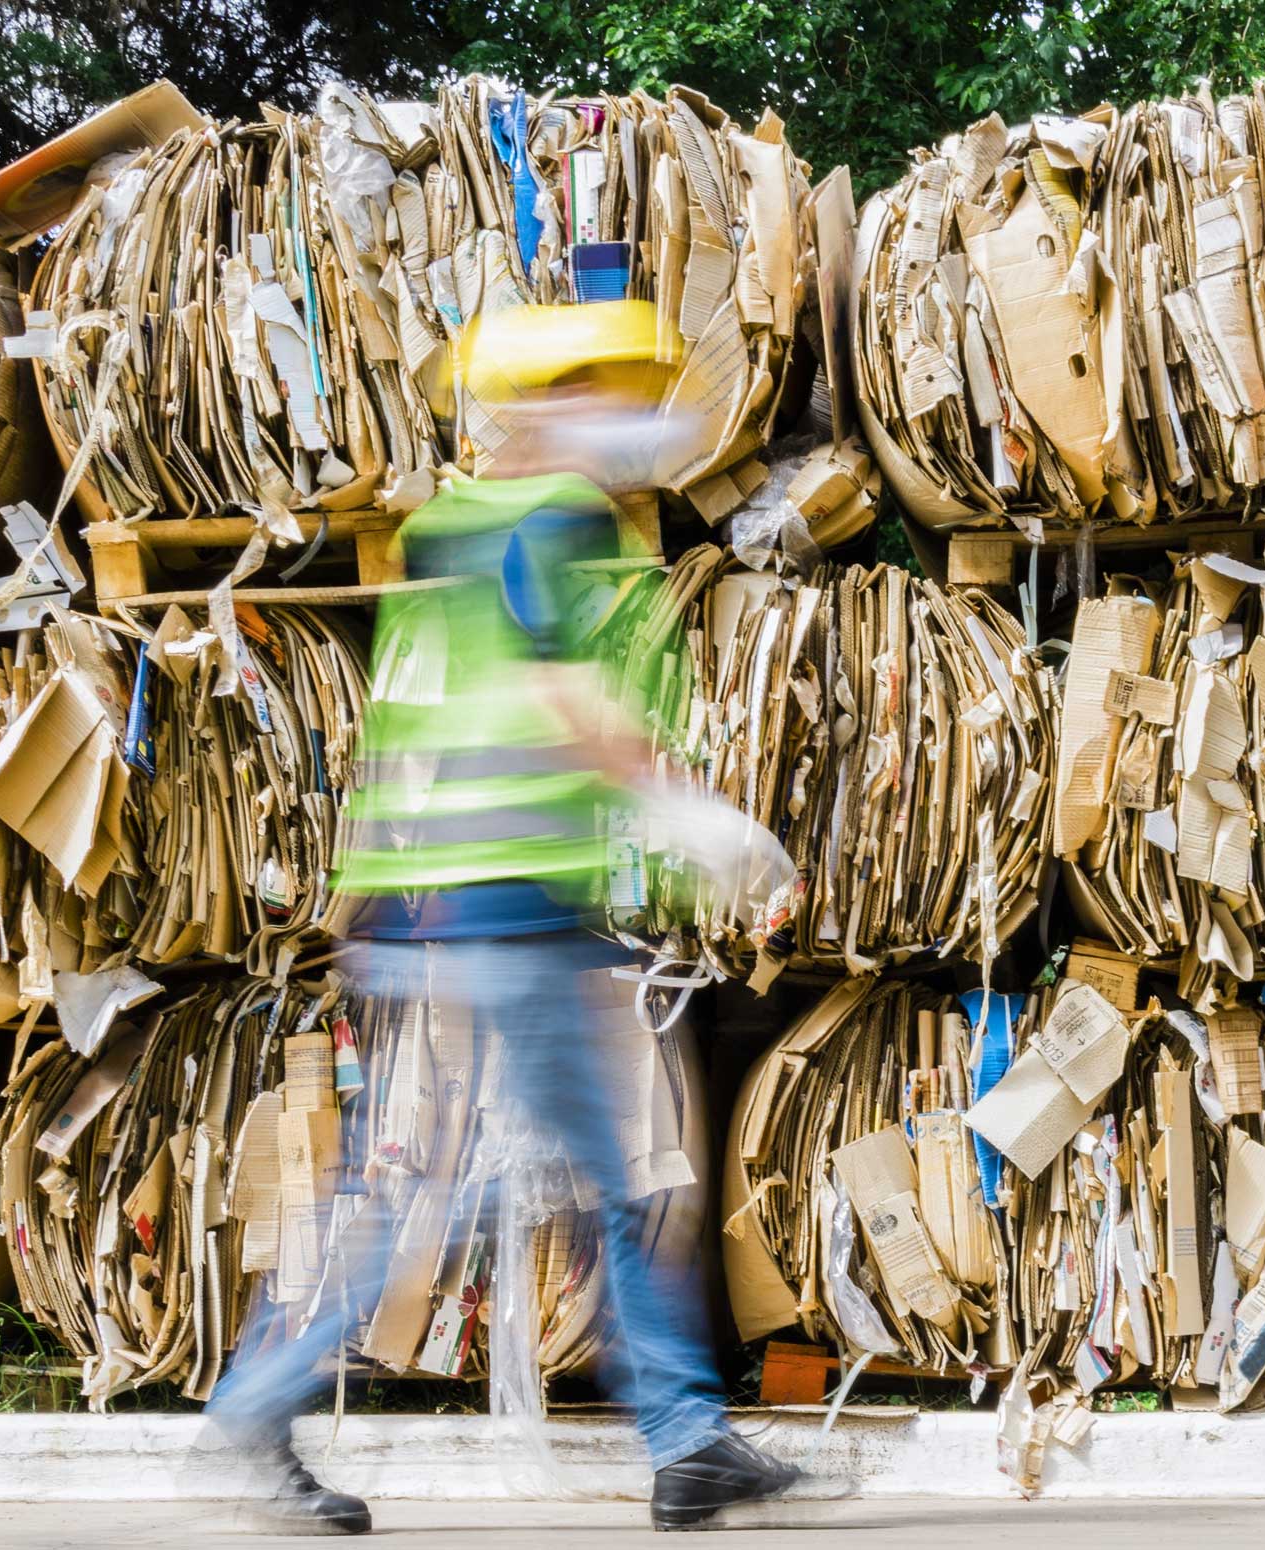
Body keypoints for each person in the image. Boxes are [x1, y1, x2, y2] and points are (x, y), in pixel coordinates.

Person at [209, 301, 801, 1534]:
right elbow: (560, 704)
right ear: (548, 408)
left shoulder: (447, 533)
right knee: (542, 1185)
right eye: (604, 397)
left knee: (508, 1177)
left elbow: (402, 717)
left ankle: (687, 1436)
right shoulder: (552, 523)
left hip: (462, 906)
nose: (624, 422)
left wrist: (364, 896)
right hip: (519, 909)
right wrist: (705, 824)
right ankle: (269, 1391)